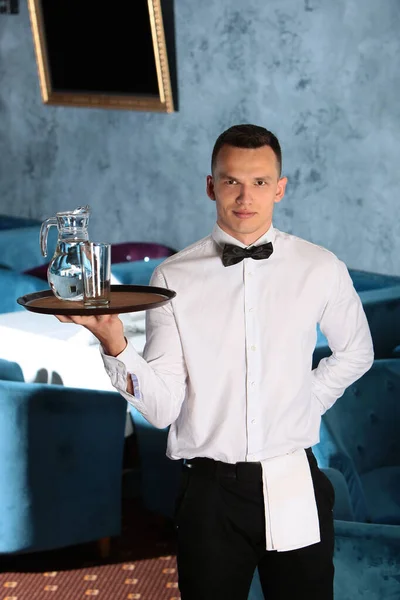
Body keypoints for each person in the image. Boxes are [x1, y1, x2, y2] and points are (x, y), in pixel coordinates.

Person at [56, 124, 374, 600]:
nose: (245, 196)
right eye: (231, 181)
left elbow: (356, 352)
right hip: (209, 494)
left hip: (292, 483)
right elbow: (163, 409)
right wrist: (116, 346)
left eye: (260, 182)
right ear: (211, 185)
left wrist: (307, 401)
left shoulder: (320, 267)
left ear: (280, 189)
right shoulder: (172, 276)